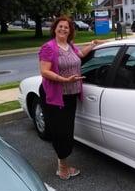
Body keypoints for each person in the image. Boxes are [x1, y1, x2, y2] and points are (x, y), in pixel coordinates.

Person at [39, 15, 104, 180]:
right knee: (62, 131)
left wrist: (93, 44)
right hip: (56, 96)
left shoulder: (69, 46)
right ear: (54, 29)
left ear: (70, 31)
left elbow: (80, 54)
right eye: (60, 26)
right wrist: (64, 80)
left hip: (70, 95)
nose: (63, 29)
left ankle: (62, 163)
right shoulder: (49, 47)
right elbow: (45, 71)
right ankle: (63, 168)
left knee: (67, 130)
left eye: (66, 27)